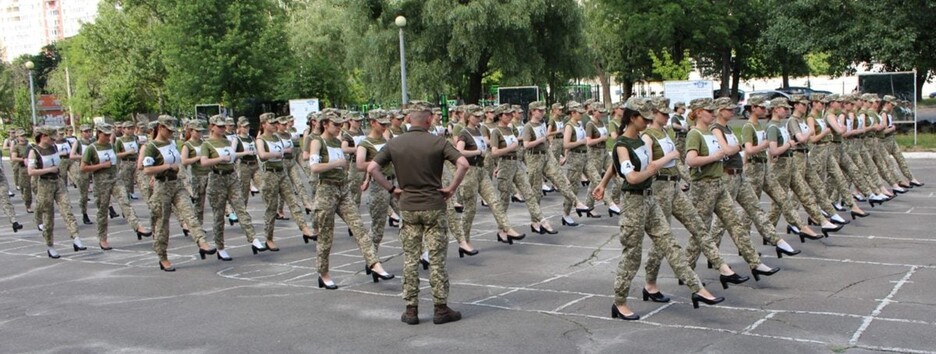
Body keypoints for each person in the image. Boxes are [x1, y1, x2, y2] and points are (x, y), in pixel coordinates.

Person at [592, 99, 724, 321]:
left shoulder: (640, 141)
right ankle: (620, 302)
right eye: (644, 118)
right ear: (633, 118)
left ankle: (697, 288)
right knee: (632, 256)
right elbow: (631, 176)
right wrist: (656, 166)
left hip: (650, 200)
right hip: (633, 203)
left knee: (669, 243)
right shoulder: (623, 144)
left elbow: (614, 166)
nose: (648, 121)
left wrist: (603, 183)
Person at [367, 102, 469, 325]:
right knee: (436, 258)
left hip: (409, 207)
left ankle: (411, 309)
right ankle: (440, 308)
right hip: (433, 205)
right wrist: (451, 189)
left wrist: (392, 189)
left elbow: (371, 168)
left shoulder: (394, 143)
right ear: (428, 120)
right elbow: (463, 163)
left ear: (408, 120)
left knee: (411, 259)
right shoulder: (438, 142)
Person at [142, 116, 216, 271]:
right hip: (162, 186)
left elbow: (179, 163)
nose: (170, 133)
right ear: (160, 127)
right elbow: (147, 169)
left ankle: (202, 242)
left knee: (189, 213)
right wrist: (167, 166)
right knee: (162, 223)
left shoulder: (172, 143)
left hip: (176, 183)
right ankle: (163, 257)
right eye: (168, 130)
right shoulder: (152, 147)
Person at [200, 115, 267, 260]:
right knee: (218, 216)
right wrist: (219, 159)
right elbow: (204, 162)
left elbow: (232, 155)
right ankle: (220, 247)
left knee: (241, 208)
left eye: (224, 126)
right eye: (220, 126)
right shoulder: (207, 144)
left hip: (231, 177)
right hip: (217, 178)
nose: (223, 129)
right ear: (212, 127)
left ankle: (253, 239)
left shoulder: (226, 141)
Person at [79, 123, 152, 250]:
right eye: (106, 135)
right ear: (99, 134)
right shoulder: (91, 148)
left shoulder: (111, 146)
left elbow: (115, 159)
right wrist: (101, 166)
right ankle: (103, 239)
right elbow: (83, 167)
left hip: (115, 179)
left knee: (125, 202)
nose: (108, 137)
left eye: (109, 134)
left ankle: (137, 226)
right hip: (101, 182)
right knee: (102, 211)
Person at [522, 101, 590, 232]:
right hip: (533, 158)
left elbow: (546, 144)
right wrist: (539, 140)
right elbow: (526, 145)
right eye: (539, 110)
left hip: (545, 155)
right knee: (536, 192)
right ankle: (535, 221)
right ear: (532, 111)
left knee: (560, 180)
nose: (541, 113)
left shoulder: (542, 124)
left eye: (542, 110)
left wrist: (555, 159)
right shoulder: (528, 126)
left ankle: (577, 202)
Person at [255, 113, 316, 250]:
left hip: (281, 172)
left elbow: (287, 149)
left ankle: (305, 228)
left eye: (275, 123)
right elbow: (262, 155)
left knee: (293, 202)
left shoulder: (277, 137)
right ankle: (269, 238)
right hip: (269, 175)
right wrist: (276, 154)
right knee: (271, 208)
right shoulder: (261, 139)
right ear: (264, 124)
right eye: (271, 123)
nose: (274, 125)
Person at [28, 126, 84, 258]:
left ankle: (76, 238)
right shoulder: (34, 151)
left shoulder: (53, 148)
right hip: (44, 184)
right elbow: (31, 171)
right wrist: (48, 170)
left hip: (58, 182)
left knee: (67, 209)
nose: (54, 141)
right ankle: (50, 245)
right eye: (51, 138)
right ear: (43, 137)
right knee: (48, 217)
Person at [880, 95, 923, 187]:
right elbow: (882, 132)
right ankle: (898, 181)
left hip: (891, 140)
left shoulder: (888, 114)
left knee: (901, 160)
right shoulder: (883, 114)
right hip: (885, 141)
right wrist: (892, 129)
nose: (893, 107)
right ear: (887, 103)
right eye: (891, 105)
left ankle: (911, 178)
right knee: (889, 164)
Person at [181, 120, 209, 224]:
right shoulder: (187, 145)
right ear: (191, 131)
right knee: (199, 204)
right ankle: (198, 225)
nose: (199, 133)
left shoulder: (204, 143)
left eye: (201, 131)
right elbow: (184, 161)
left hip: (208, 173)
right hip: (196, 175)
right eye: (197, 131)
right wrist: (198, 158)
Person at [115, 122, 140, 199]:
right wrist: (127, 153)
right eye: (128, 129)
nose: (131, 130)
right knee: (126, 179)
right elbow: (116, 154)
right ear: (123, 129)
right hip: (126, 161)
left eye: (132, 128)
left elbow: (138, 150)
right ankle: (125, 195)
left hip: (135, 161)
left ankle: (131, 193)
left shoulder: (135, 138)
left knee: (133, 179)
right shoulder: (120, 140)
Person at [11, 132, 33, 213]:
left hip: (32, 168)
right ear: (18, 137)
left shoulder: (30, 146)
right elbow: (14, 158)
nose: (23, 137)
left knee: (31, 187)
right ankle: (26, 201)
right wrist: (23, 159)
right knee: (24, 187)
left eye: (24, 135)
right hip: (23, 168)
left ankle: (29, 205)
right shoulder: (17, 147)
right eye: (21, 136)